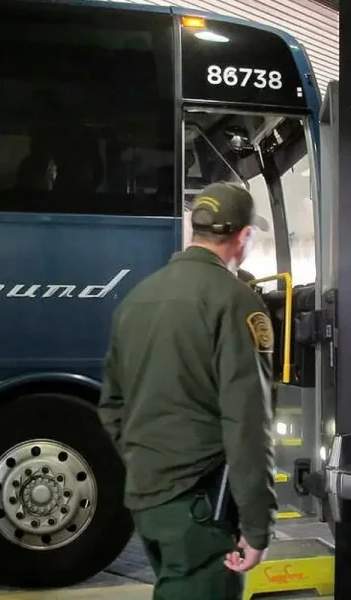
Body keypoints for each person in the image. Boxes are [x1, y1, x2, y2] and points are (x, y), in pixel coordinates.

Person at [98, 181, 278, 599]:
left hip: (148, 499)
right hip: (201, 505)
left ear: (194, 230)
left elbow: (111, 406)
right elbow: (247, 421)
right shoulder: (235, 302)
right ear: (243, 236)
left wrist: (149, 459)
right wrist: (256, 525)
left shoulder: (137, 299)